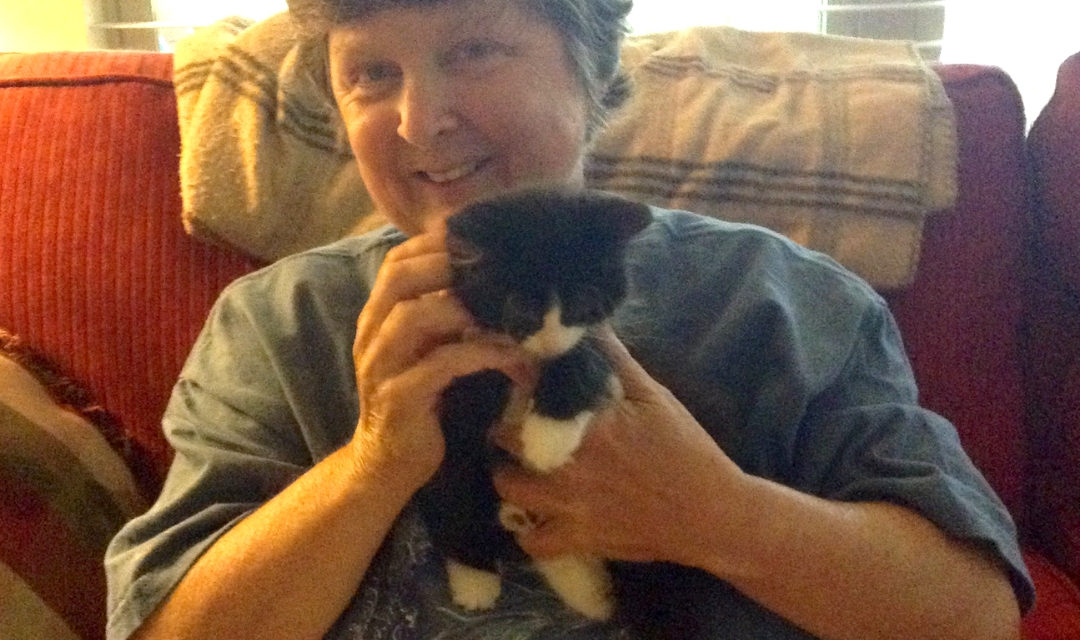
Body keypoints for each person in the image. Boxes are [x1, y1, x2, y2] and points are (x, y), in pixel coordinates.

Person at [105, 0, 1034, 638]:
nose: (419, 121)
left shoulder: (781, 302)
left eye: (474, 49)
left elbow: (977, 616)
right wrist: (374, 466)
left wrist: (718, 516)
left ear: (593, 74)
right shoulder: (282, 323)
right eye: (371, 74)